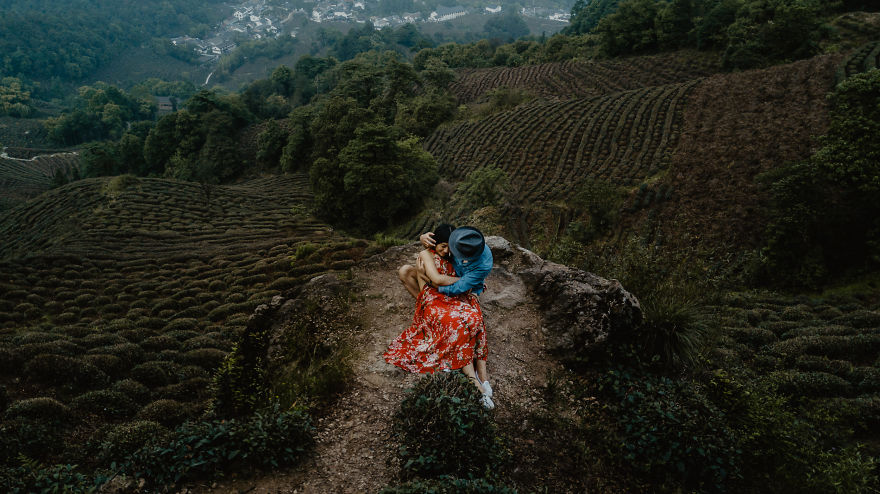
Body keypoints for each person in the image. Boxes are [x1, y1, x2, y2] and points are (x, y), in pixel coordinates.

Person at [386, 226, 495, 408]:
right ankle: (473, 381)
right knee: (457, 324)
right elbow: (437, 280)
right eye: (443, 246)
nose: (447, 251)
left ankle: (483, 379)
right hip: (437, 296)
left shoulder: (468, 256)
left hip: (453, 294)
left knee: (475, 320)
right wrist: (465, 282)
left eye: (448, 247)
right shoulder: (432, 252)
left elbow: (447, 281)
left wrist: (472, 283)